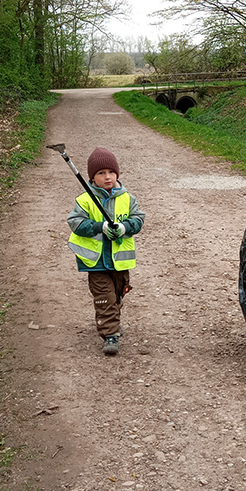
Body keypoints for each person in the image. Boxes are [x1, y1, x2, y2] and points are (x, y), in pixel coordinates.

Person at [67, 146, 145, 356]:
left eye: (111, 172)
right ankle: (110, 334)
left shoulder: (127, 198)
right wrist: (98, 227)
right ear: (92, 178)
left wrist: (125, 227)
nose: (107, 177)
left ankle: (112, 320)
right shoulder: (85, 200)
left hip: (120, 261)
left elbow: (138, 219)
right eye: (101, 173)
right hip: (96, 261)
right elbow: (75, 222)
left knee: (118, 294)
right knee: (105, 297)